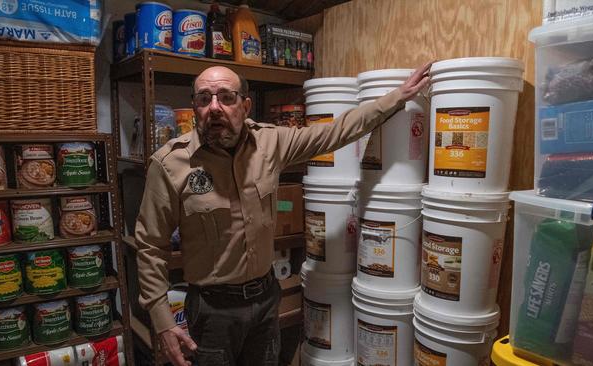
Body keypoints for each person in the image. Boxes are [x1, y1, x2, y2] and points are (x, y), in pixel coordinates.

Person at [135, 62, 432, 366]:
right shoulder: (170, 163)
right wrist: (163, 322)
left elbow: (335, 132)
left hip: (265, 301)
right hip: (212, 311)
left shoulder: (270, 142)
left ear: (245, 105)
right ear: (195, 107)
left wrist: (398, 96)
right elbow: (150, 246)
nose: (214, 107)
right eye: (204, 98)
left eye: (226, 97)